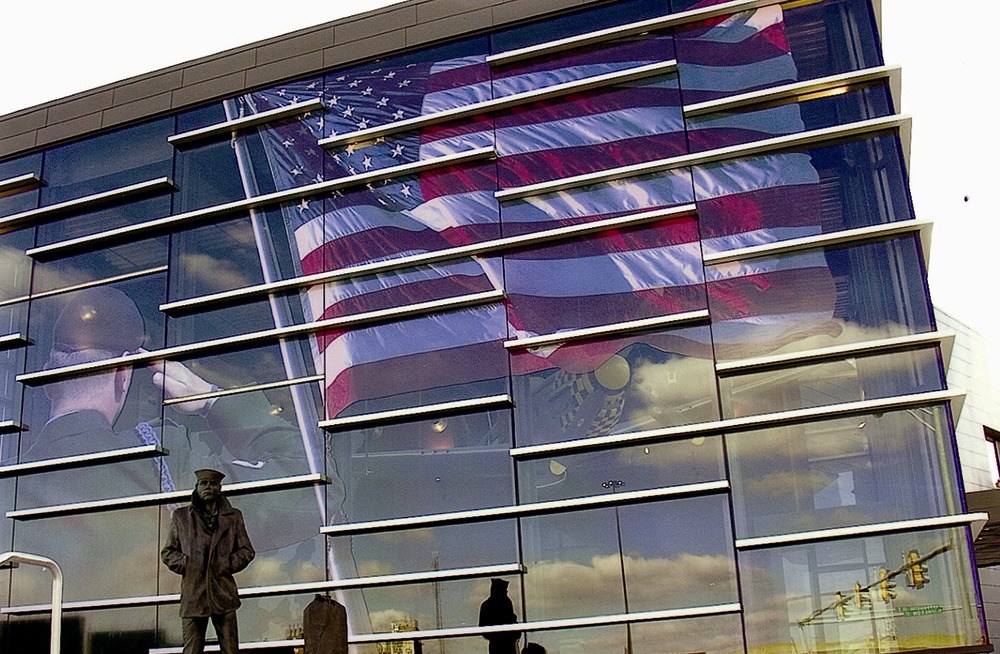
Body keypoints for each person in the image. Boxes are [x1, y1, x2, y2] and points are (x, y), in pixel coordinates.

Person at [161, 468, 255, 654]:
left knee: (230, 649)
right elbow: (168, 552)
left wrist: (227, 564)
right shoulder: (181, 517)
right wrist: (187, 564)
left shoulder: (233, 516)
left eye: (212, 484)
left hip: (223, 592)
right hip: (194, 593)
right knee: (192, 650)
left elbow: (247, 550)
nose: (208, 487)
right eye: (203, 483)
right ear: (196, 487)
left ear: (219, 488)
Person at [478, 578, 521, 654]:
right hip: (499, 644)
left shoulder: (506, 602)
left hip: (507, 643)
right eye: (504, 589)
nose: (506, 591)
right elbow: (483, 628)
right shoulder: (489, 605)